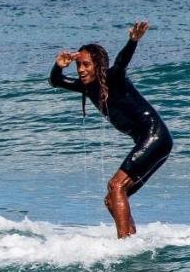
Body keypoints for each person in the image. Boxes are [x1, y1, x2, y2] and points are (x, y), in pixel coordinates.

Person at [50, 21, 171, 238]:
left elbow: (121, 62)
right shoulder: (86, 87)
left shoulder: (114, 78)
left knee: (116, 186)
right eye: (79, 66)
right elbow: (55, 81)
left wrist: (132, 41)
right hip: (151, 140)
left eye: (86, 64)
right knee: (112, 198)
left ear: (98, 65)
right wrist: (59, 65)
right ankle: (132, 238)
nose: (81, 70)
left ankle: (123, 244)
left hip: (155, 136)